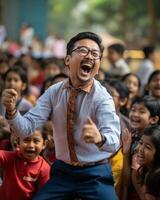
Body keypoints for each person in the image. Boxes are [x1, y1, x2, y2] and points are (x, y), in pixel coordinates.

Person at [2, 32, 120, 200]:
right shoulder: (53, 92)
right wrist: (12, 110)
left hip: (95, 174)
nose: (90, 57)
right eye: (84, 51)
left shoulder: (103, 98)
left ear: (99, 65)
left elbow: (114, 141)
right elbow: (25, 129)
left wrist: (99, 138)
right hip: (63, 173)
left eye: (95, 54)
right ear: (67, 60)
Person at [0, 128, 50, 200]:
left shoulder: (44, 168)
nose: (31, 145)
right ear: (17, 142)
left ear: (44, 144)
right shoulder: (10, 157)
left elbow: (43, 195)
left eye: (36, 141)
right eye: (26, 140)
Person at [132, 125, 160, 200]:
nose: (140, 149)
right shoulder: (147, 171)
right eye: (141, 143)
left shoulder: (157, 178)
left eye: (148, 147)